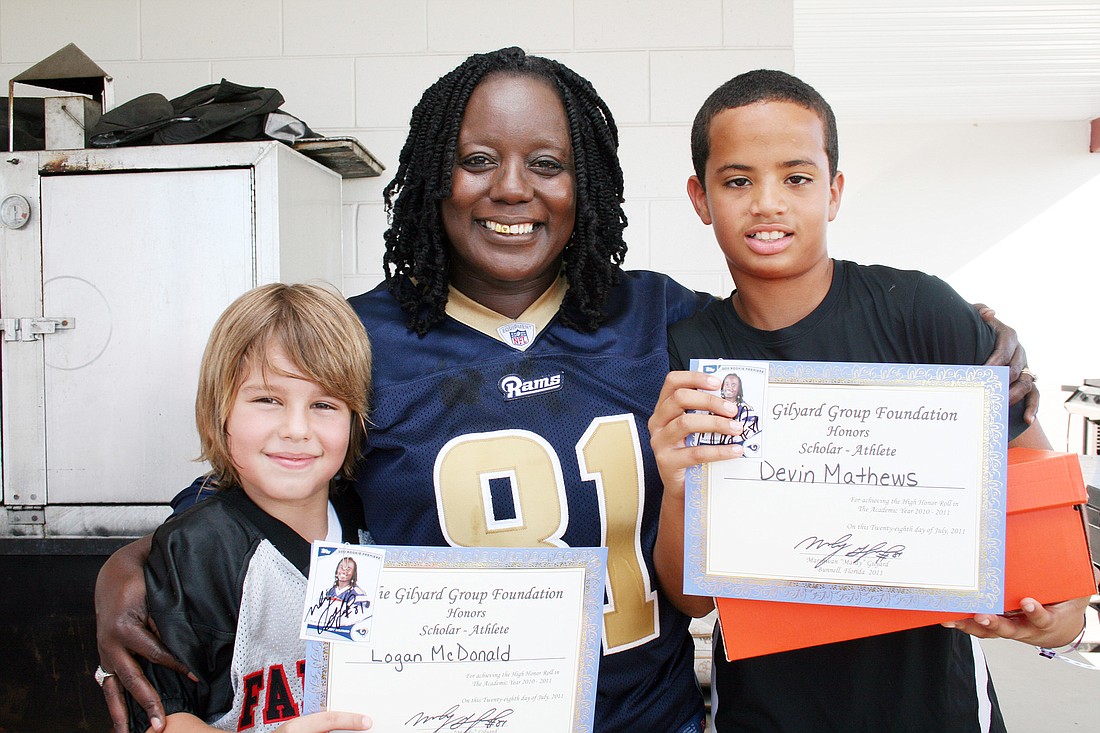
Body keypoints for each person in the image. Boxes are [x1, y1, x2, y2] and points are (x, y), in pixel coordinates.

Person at [94, 49, 1034, 733]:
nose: (512, 189)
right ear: (433, 177)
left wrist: (973, 346)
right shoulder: (361, 338)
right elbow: (266, 482)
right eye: (476, 161)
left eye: (547, 164)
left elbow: (822, 376)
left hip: (651, 716)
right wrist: (130, 564)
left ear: (590, 185)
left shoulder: (666, 321)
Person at [647, 69, 1091, 732]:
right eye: (737, 180)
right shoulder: (690, 350)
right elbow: (694, 599)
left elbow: (1044, 513)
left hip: (937, 711)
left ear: (834, 191)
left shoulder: (921, 312)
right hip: (768, 714)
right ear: (700, 197)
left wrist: (1059, 615)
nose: (767, 202)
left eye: (796, 177)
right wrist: (678, 486)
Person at [122, 284, 374, 733]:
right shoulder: (199, 547)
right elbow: (167, 719)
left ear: (355, 420)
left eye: (324, 404)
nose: (297, 429)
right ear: (221, 410)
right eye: (267, 400)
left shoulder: (374, 519)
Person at [696, 373, 759, 449]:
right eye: (727, 384)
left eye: (733, 385)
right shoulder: (712, 408)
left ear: (739, 389)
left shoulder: (746, 411)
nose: (729, 388)